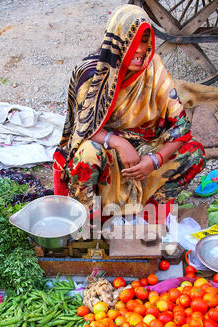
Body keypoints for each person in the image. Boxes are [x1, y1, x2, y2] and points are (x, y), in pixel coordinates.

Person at [53, 4, 205, 221]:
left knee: (194, 152)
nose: (141, 50)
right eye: (133, 41)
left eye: (145, 41)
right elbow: (82, 129)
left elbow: (180, 126)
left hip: (145, 149)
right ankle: (90, 221)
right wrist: (118, 143)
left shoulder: (154, 69)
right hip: (107, 152)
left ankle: (148, 210)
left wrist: (154, 160)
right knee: (86, 154)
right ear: (117, 40)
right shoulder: (91, 73)